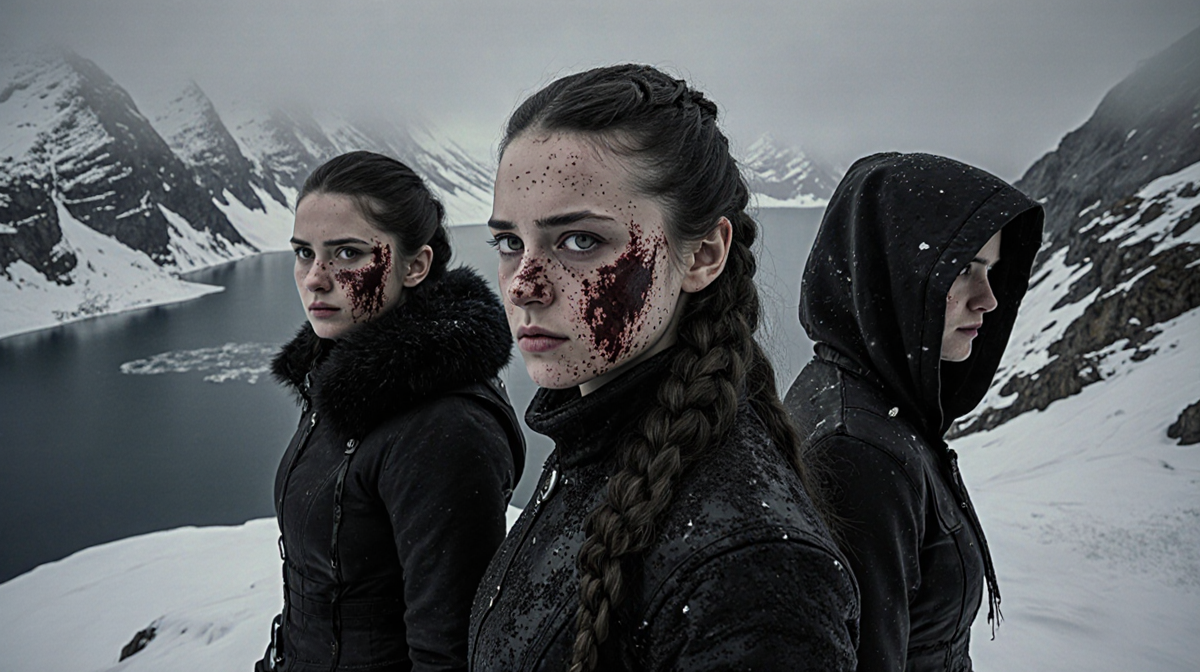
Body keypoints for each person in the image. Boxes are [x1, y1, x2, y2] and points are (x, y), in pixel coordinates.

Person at [469, 64, 859, 672]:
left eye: (579, 241)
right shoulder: (595, 441)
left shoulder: (749, 572)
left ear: (702, 254)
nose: (522, 285)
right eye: (509, 243)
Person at [257, 151, 525, 672]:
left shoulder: (444, 429)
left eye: (347, 254)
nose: (315, 278)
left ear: (415, 265)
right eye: (304, 253)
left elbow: (450, 652)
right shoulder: (341, 378)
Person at [784, 152, 1044, 671]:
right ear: (893, 273)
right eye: (963, 270)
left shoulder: (864, 400)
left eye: (990, 271)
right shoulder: (858, 450)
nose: (988, 299)